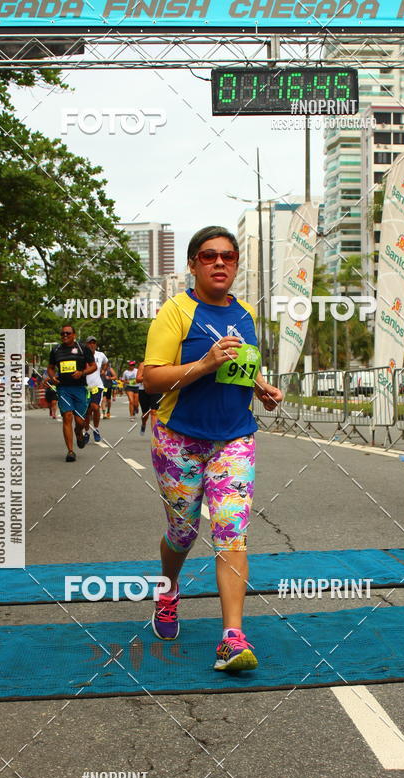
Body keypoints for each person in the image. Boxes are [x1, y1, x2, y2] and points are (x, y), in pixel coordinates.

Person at [143, 225, 282, 671]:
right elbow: (151, 377)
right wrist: (203, 363)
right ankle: (168, 589)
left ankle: (233, 637)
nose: (219, 263)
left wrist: (260, 387)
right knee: (182, 533)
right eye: (208, 256)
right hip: (179, 438)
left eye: (227, 256)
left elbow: (238, 367)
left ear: (237, 265)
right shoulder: (175, 312)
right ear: (193, 264)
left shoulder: (244, 315)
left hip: (234, 438)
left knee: (231, 532)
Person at [47, 324, 96, 462]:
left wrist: (82, 372)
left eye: (68, 333)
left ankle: (78, 432)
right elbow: (50, 368)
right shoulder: (56, 350)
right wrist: (52, 377)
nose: (65, 336)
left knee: (80, 421)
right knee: (67, 416)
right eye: (62, 334)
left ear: (74, 335)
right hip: (63, 389)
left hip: (80, 389)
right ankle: (70, 451)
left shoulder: (82, 349)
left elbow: (93, 366)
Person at [84, 336, 110, 442]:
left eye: (93, 343)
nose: (92, 345)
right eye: (90, 343)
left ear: (96, 345)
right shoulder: (82, 355)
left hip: (97, 386)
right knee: (87, 411)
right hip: (85, 387)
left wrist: (103, 370)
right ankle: (86, 432)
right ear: (86, 344)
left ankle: (96, 429)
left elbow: (106, 362)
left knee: (95, 407)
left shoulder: (101, 355)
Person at [136, 360, 161, 435]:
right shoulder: (143, 364)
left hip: (156, 390)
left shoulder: (161, 364)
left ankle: (154, 435)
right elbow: (138, 379)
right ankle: (143, 424)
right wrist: (150, 377)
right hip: (144, 391)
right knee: (145, 414)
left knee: (154, 412)